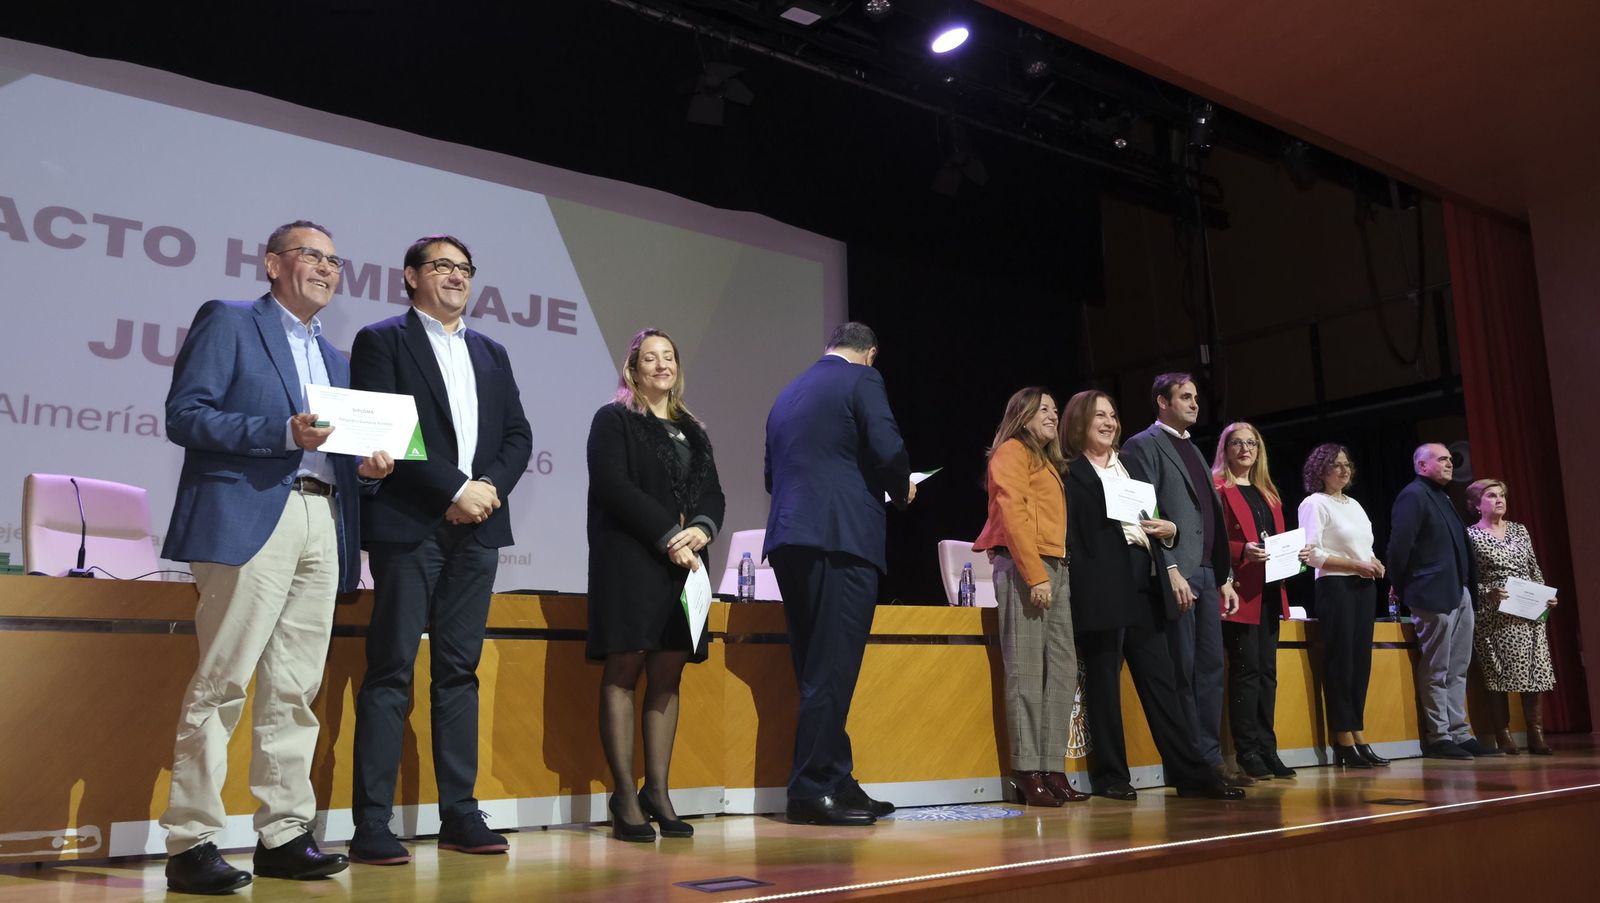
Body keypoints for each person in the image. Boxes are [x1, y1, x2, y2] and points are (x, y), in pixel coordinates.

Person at [159, 220, 393, 894]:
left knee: (295, 688)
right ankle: (190, 839)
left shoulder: (340, 361)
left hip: (323, 516)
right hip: (249, 515)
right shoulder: (229, 322)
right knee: (223, 680)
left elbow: (344, 455)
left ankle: (284, 832)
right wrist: (278, 431)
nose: (325, 267)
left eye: (333, 259)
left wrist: (372, 469)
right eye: (309, 255)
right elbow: (186, 414)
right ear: (271, 264)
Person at [347, 235, 532, 864]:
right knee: (390, 670)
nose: (455, 277)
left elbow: (517, 433)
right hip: (410, 525)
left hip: (477, 531)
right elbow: (388, 431)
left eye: (464, 269)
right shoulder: (382, 341)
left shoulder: (492, 351)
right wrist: (455, 487)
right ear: (410, 276)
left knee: (459, 671)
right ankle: (372, 821)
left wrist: (485, 491)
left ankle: (459, 811)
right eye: (442, 266)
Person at [763, 322, 914, 826]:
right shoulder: (863, 380)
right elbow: (890, 451)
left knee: (817, 667)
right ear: (869, 354)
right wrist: (899, 486)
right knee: (833, 668)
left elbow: (771, 475)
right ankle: (809, 791)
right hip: (841, 537)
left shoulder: (786, 393)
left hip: (790, 539)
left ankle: (835, 778)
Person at [1062, 391, 1243, 801]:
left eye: (1112, 415)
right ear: (1078, 423)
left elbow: (1153, 520)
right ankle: (1112, 777)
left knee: (1162, 681)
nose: (1109, 422)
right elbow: (1078, 536)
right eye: (1099, 416)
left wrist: (1171, 531)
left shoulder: (1129, 466)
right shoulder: (1071, 472)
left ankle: (1191, 774)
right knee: (1105, 683)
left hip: (1144, 576)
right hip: (1103, 584)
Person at [586, 328, 726, 841]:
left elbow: (713, 492)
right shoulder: (615, 419)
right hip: (630, 562)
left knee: (669, 675)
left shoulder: (694, 428)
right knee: (624, 671)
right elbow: (613, 486)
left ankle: (658, 793)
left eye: (669, 356)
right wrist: (669, 535)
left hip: (684, 567)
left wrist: (702, 528)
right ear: (633, 368)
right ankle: (624, 797)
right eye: (651, 357)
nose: (661, 365)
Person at [1121, 374, 1247, 787]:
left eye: (1196, 397)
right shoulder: (1142, 445)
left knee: (1211, 667)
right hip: (1178, 572)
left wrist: (1225, 575)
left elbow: (1206, 517)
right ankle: (1192, 763)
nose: (1195, 404)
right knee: (1185, 668)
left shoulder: (1192, 446)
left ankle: (1211, 757)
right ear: (1162, 401)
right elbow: (1146, 512)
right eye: (1185, 397)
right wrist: (1170, 566)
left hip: (1208, 573)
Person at [971, 388, 1087, 807]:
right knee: (1025, 668)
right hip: (1027, 567)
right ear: (1022, 415)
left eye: (1056, 410)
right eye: (1045, 409)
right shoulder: (1011, 452)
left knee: (1062, 667)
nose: (1054, 416)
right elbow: (1013, 514)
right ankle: (1026, 771)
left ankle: (1051, 767)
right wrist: (1035, 574)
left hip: (1056, 565)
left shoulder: (1045, 459)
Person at [1388, 443, 1498, 759]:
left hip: (1459, 591)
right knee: (1437, 668)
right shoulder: (1413, 495)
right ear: (1422, 465)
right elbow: (1399, 546)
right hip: (1432, 593)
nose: (1450, 463)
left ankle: (1460, 733)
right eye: (1442, 459)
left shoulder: (1443, 496)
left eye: (1451, 458)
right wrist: (1400, 583)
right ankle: (1439, 736)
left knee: (1457, 668)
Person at [1212, 422, 1296, 779]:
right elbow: (1210, 542)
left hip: (1270, 591)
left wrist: (1298, 554)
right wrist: (1241, 550)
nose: (1245, 449)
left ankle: (1267, 748)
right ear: (1226, 449)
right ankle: (1247, 751)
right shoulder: (1218, 488)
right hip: (1238, 592)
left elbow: (1277, 541)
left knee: (1267, 674)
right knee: (1247, 673)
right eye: (1237, 443)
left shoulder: (1268, 493)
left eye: (1252, 443)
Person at [1299, 444, 1388, 767]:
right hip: (1335, 586)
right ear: (1320, 470)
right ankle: (1343, 738)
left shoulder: (1355, 505)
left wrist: (1374, 562)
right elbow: (1311, 554)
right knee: (1341, 662)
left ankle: (1358, 731)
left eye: (1347, 464)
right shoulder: (1315, 503)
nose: (1344, 470)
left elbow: (1366, 547)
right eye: (1335, 465)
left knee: (1360, 662)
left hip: (1363, 586)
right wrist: (1355, 565)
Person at [1465, 479, 1558, 755]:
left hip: (1527, 613)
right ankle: (1502, 734)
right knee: (1498, 674)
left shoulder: (1520, 530)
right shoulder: (1469, 535)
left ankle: (1535, 733)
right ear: (1475, 504)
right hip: (1494, 615)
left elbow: (1533, 568)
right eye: (1491, 495)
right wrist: (1487, 592)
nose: (1499, 499)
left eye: (1502, 495)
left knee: (1535, 671)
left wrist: (1546, 596)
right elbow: (1469, 579)